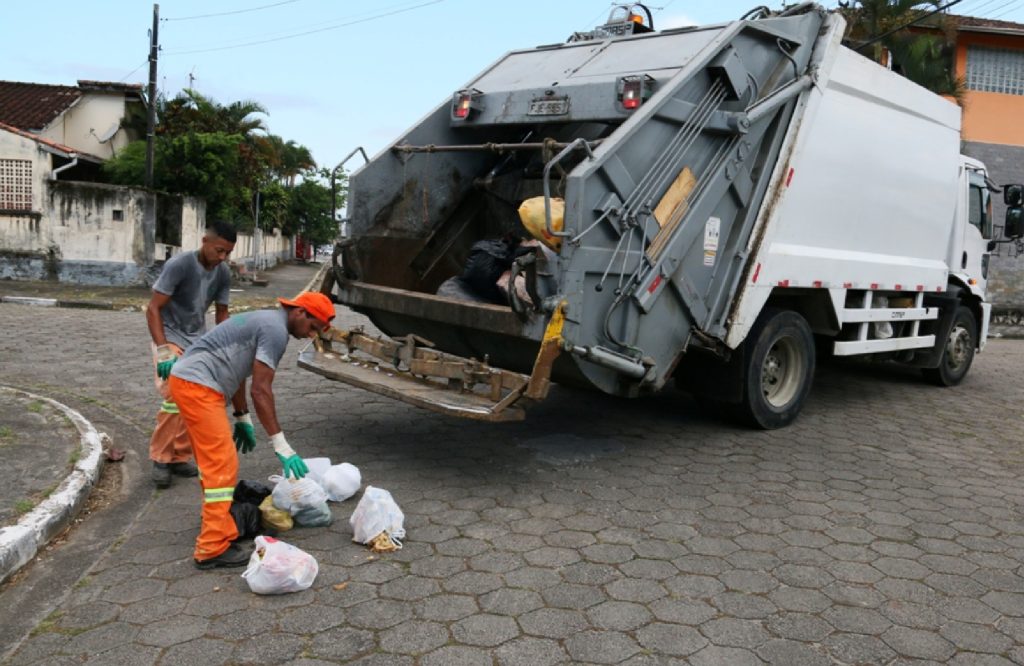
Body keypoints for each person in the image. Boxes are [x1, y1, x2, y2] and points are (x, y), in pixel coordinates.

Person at [168, 291, 335, 569]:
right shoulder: (275, 331)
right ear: (300, 312)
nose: (311, 335)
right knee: (222, 466)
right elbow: (261, 390)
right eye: (313, 327)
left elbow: (236, 371)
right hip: (198, 386)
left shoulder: (266, 320)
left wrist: (242, 415)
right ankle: (210, 549)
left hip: (190, 382)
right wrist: (281, 445)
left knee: (213, 465)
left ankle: (219, 526)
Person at [145, 222, 237, 489]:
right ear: (205, 240)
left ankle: (179, 455)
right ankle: (161, 458)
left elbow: (222, 313)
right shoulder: (180, 265)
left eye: (227, 253)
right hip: (169, 336)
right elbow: (153, 309)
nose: (222, 258)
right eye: (219, 250)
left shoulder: (222, 273)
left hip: (197, 339)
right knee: (175, 396)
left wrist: (225, 347)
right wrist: (163, 351)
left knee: (196, 395)